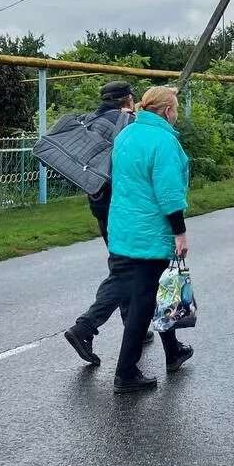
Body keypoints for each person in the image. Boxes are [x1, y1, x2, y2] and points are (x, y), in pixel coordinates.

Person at [105, 85, 194, 394]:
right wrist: (179, 231)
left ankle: (173, 351)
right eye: (176, 109)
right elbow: (169, 193)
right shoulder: (164, 141)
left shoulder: (126, 135)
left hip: (125, 227)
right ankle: (125, 371)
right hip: (151, 229)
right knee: (145, 298)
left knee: (158, 291)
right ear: (167, 111)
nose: (177, 115)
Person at [63, 82, 153, 366]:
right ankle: (85, 327)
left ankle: (133, 322)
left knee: (121, 265)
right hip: (123, 207)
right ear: (127, 99)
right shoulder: (127, 123)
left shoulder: (90, 123)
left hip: (98, 203)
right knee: (126, 271)